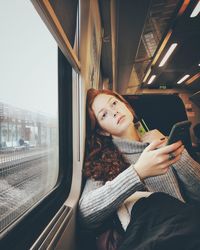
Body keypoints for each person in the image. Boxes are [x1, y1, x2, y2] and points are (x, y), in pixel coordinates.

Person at [78, 88, 200, 250]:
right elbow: (86, 214)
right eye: (104, 115)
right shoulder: (103, 162)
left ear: (126, 106)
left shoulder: (160, 141)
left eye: (114, 103)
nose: (114, 112)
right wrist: (138, 173)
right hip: (152, 238)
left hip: (188, 227)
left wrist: (177, 155)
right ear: (102, 130)